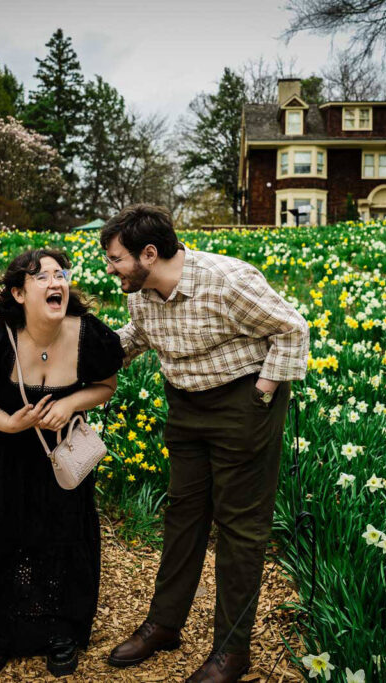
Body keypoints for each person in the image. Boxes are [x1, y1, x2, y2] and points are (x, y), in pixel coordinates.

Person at [101, 204, 310, 683]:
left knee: (240, 528)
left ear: (148, 254)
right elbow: (140, 334)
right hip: (186, 405)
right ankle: (164, 624)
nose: (109, 269)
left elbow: (292, 330)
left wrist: (262, 396)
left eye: (115, 259)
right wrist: (81, 350)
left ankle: (231, 652)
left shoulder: (227, 280)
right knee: (183, 513)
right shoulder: (142, 293)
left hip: (243, 400)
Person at [0, 248, 123, 677]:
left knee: (64, 533)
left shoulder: (88, 334)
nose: (56, 283)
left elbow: (106, 386)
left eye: (61, 274)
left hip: (60, 454)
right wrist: (9, 422)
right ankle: (0, 625)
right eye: (42, 276)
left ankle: (61, 627)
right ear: (17, 292)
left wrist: (71, 405)